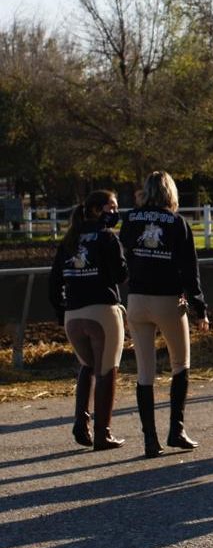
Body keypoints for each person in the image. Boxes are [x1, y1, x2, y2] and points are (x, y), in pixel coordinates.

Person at [120, 172, 209, 458]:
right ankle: (176, 429)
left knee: (144, 371)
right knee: (180, 364)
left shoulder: (131, 219)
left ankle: (150, 438)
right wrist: (197, 306)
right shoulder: (177, 223)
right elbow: (189, 269)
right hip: (169, 299)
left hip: (136, 299)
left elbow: (124, 258)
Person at [48, 190, 129, 451]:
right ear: (97, 210)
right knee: (107, 371)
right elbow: (120, 275)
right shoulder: (107, 238)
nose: (115, 213)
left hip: (73, 315)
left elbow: (53, 283)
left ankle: (81, 422)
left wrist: (63, 312)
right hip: (102, 311)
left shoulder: (69, 240)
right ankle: (103, 433)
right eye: (111, 207)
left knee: (87, 367)